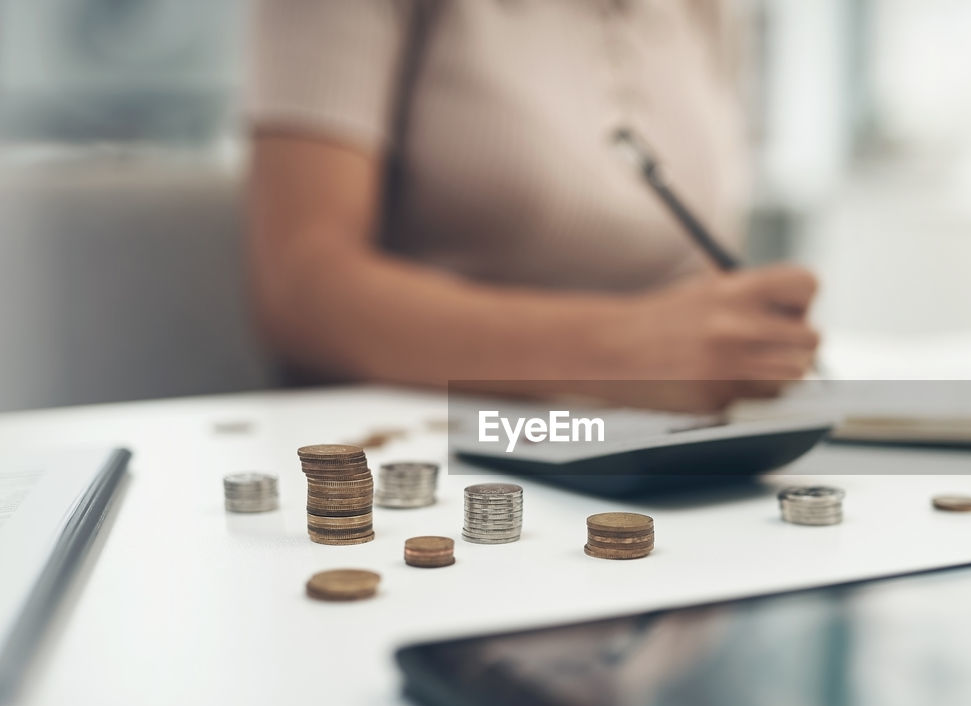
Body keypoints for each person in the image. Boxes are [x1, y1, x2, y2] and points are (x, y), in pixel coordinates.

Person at [246, 0, 820, 411]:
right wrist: (625, 352)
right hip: (443, 424)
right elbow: (302, 289)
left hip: (638, 428)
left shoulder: (708, 13)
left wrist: (733, 340)